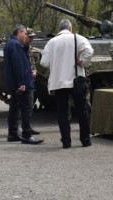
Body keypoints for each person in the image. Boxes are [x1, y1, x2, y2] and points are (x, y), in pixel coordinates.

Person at [40, 19, 93, 149]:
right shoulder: (78, 38)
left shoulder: (51, 42)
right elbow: (89, 51)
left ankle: (66, 142)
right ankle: (85, 140)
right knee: (82, 110)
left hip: (59, 81)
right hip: (76, 80)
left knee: (62, 112)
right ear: (70, 28)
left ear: (59, 29)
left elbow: (44, 63)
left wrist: (56, 63)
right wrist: (82, 62)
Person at [4, 25, 43, 145]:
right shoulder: (15, 45)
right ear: (19, 33)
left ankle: (13, 133)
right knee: (26, 108)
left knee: (14, 108)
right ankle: (26, 135)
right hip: (22, 83)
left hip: (14, 82)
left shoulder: (10, 43)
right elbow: (18, 65)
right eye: (25, 33)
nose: (26, 36)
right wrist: (22, 83)